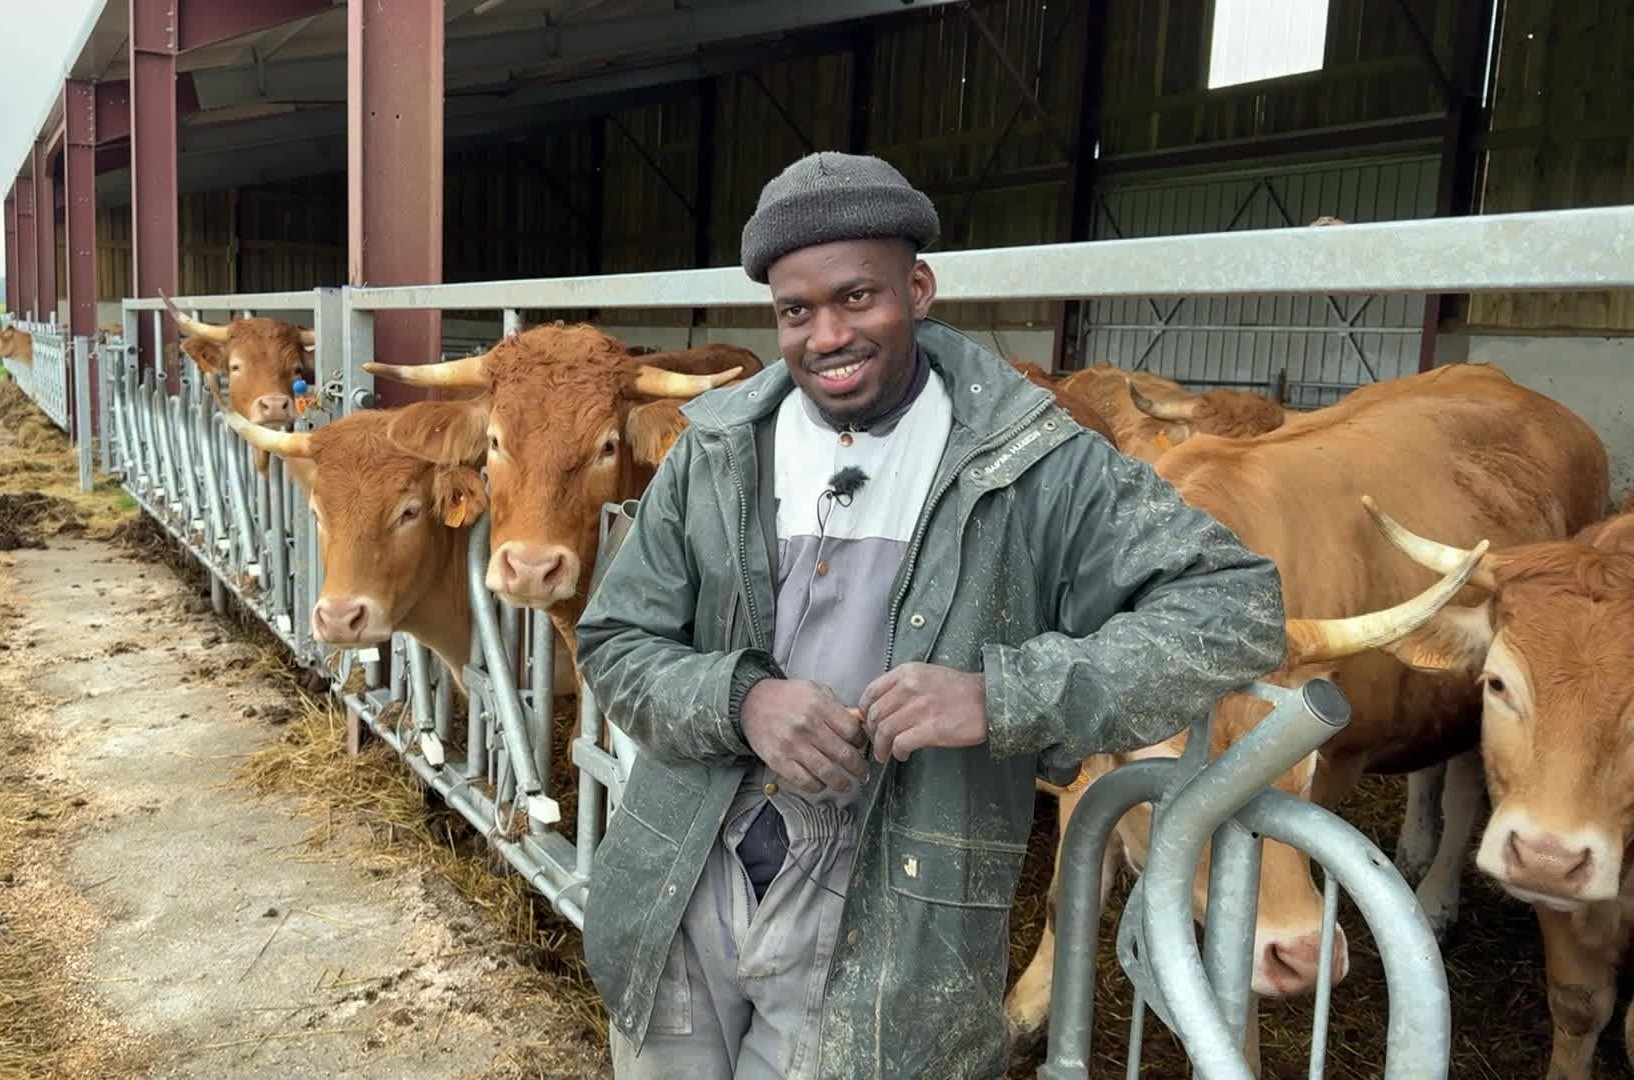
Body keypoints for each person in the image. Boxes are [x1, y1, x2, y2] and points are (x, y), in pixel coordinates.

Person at [573, 150, 1286, 1079]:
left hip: (895, 913)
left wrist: (1006, 694)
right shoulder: (715, 449)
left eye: (857, 298)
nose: (826, 335)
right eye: (797, 311)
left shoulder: (1035, 463)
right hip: (682, 884)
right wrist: (741, 700)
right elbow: (615, 642)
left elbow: (1237, 606)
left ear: (917, 287)